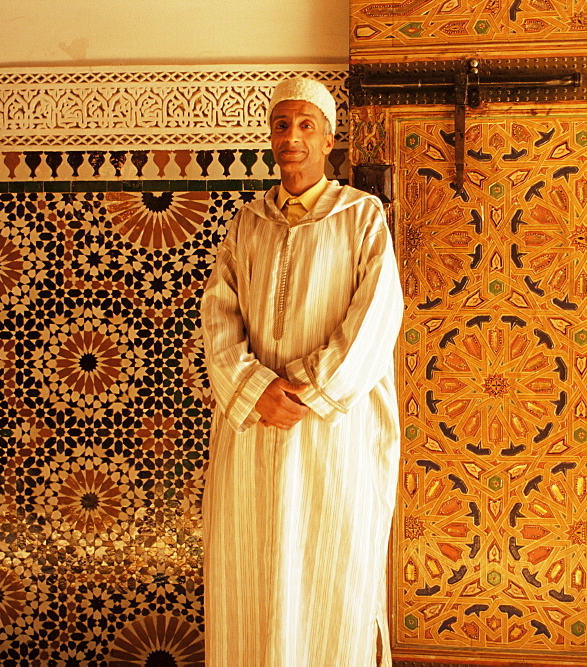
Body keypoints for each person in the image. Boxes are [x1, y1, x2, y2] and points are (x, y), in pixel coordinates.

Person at [200, 77, 403, 666]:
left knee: (331, 575)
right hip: (252, 437)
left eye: (306, 125)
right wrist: (255, 389)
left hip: (331, 440)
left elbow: (376, 318)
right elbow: (218, 316)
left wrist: (309, 391)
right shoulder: (247, 223)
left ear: (329, 139)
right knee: (251, 580)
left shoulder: (361, 218)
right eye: (282, 125)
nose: (292, 137)